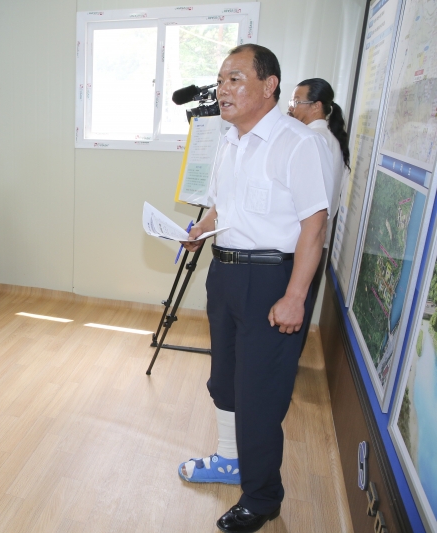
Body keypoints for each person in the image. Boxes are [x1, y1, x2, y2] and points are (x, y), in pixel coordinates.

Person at [178, 45, 332, 533]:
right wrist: (201, 228)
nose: (223, 89)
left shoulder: (296, 142)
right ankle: (230, 459)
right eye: (221, 79)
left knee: (260, 397)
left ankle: (263, 497)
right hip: (225, 273)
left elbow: (315, 223)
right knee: (225, 381)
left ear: (270, 86)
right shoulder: (230, 139)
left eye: (236, 79)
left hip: (272, 281)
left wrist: (295, 296)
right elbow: (225, 206)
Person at [288, 78, 351, 345]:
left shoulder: (312, 139)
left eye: (296, 102)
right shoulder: (329, 138)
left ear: (316, 106)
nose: (290, 108)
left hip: (304, 242)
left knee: (290, 313)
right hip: (317, 241)